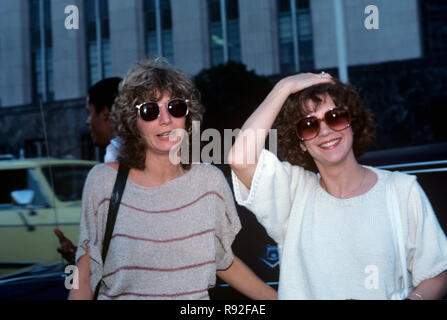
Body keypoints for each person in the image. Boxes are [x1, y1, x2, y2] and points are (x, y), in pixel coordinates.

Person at [68, 58, 277, 300]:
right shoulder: (103, 182)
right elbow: (84, 276)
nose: (166, 119)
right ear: (132, 122)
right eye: (150, 110)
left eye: (176, 108)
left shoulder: (209, 182)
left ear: (187, 117)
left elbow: (222, 259)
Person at [228, 72, 447, 300]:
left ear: (352, 122)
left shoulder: (401, 189)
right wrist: (283, 88)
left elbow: (437, 270)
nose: (325, 131)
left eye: (335, 116)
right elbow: (240, 159)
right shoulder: (293, 193)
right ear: (301, 143)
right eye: (309, 125)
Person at [54, 77, 122, 265]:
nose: (87, 121)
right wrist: (79, 257)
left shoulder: (114, 165)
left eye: (89, 112)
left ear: (106, 113)